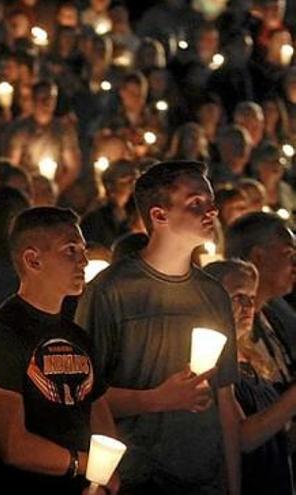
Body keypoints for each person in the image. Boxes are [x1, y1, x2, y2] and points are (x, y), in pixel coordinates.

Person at [76, 161, 241, 494]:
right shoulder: (110, 291)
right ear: (159, 215)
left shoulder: (213, 294)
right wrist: (157, 399)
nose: (212, 210)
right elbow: (83, 397)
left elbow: (225, 399)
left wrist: (233, 485)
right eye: (196, 202)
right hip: (137, 478)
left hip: (202, 478)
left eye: (210, 201)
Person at [0, 206, 119, 494]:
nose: (84, 261)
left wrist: (105, 476)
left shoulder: (77, 335)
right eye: (70, 250)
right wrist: (84, 464)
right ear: (33, 260)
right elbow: (12, 444)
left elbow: (98, 410)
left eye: (83, 250)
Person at [205, 260, 296, 495]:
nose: (248, 306)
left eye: (252, 298)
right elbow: (243, 438)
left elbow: (276, 434)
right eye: (237, 297)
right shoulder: (207, 362)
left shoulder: (251, 359)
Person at [224, 211, 296, 386]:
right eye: (289, 255)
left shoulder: (275, 313)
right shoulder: (231, 328)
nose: (295, 266)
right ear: (257, 257)